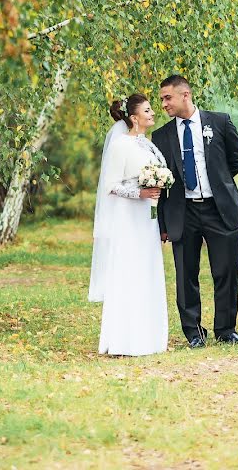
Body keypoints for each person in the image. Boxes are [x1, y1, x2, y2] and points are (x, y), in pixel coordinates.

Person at [152, 75, 238, 347]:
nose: (163, 104)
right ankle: (194, 333)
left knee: (227, 269)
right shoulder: (161, 136)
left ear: (185, 95)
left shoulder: (220, 122)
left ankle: (226, 330)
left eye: (167, 98)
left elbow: (237, 159)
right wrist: (162, 223)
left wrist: (218, 182)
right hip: (183, 213)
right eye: (161, 99)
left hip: (219, 209)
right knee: (185, 274)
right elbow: (161, 180)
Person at [89, 94, 169, 356]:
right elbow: (110, 185)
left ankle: (148, 337)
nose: (153, 113)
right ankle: (124, 340)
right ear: (134, 118)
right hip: (127, 218)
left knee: (147, 269)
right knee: (128, 271)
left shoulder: (147, 145)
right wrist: (140, 193)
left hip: (146, 218)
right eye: (148, 110)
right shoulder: (120, 145)